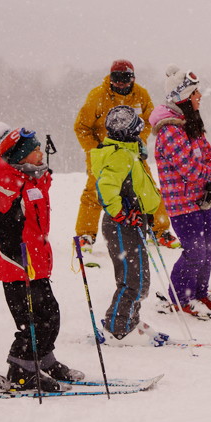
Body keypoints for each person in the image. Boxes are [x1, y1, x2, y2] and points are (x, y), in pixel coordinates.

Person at [0, 123, 83, 391]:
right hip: (17, 263)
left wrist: (41, 172)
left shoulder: (34, 177)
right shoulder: (8, 183)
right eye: (35, 150)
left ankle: (42, 358)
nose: (41, 152)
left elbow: (39, 188)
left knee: (50, 315)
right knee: (32, 320)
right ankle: (21, 368)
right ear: (21, 157)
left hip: (37, 262)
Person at [149, 65, 211, 316]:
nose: (200, 96)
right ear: (183, 97)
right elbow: (189, 169)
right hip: (182, 203)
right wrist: (208, 176)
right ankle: (180, 297)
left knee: (208, 248)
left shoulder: (191, 125)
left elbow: (205, 156)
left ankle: (200, 293)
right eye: (195, 93)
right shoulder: (170, 130)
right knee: (194, 250)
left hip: (200, 199)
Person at [74, 59, 180, 253]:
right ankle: (85, 235)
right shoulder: (97, 96)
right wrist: (95, 149)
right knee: (94, 192)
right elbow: (81, 127)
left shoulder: (141, 94)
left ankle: (160, 231)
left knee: (148, 189)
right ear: (110, 78)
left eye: (125, 78)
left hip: (133, 154)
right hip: (106, 155)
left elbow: (150, 121)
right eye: (116, 78)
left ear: (133, 78)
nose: (120, 83)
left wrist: (139, 140)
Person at [92, 105, 168, 346]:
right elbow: (105, 188)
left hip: (134, 222)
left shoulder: (128, 152)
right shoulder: (120, 155)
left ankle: (130, 320)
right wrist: (121, 213)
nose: (140, 134)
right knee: (132, 280)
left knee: (140, 279)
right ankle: (117, 328)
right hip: (122, 225)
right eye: (137, 130)